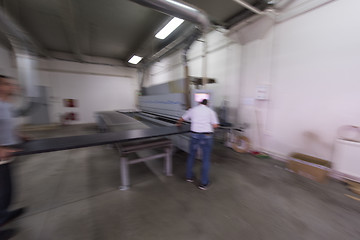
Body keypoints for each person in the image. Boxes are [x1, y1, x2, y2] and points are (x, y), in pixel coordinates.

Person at [0, 75, 26, 239]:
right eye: (8, 84)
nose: (13, 87)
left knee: (7, 190)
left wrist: (19, 135)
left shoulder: (6, 105)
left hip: (7, 154)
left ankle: (4, 214)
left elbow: (6, 126)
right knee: (1, 191)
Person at [177, 99, 219, 190]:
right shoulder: (211, 111)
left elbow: (181, 119)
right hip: (206, 136)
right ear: (207, 104)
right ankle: (204, 183)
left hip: (194, 135)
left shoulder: (193, 110)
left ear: (199, 103)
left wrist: (178, 124)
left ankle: (189, 177)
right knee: (205, 158)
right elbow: (215, 126)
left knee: (191, 155)